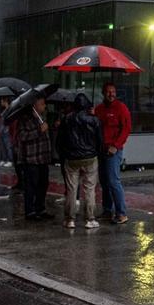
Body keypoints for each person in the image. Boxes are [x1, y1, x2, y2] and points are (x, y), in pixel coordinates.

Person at [56, 93, 103, 229]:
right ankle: (90, 219)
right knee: (89, 189)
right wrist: (97, 154)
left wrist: (64, 155)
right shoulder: (94, 120)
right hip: (90, 158)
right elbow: (100, 140)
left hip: (71, 159)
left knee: (71, 189)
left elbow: (60, 141)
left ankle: (70, 219)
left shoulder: (66, 119)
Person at [93, 82, 132, 225]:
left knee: (113, 181)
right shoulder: (99, 109)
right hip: (101, 150)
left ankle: (121, 213)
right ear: (103, 93)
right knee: (104, 182)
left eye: (113, 91)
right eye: (108, 91)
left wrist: (116, 146)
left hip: (113, 151)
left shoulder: (121, 108)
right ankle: (107, 211)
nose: (111, 94)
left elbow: (126, 129)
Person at [15, 96, 53, 220]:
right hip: (31, 159)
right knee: (31, 185)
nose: (44, 106)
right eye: (42, 104)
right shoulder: (25, 119)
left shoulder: (42, 117)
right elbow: (22, 136)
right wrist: (38, 130)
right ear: (34, 105)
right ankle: (30, 211)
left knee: (43, 184)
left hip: (43, 158)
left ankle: (40, 209)